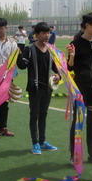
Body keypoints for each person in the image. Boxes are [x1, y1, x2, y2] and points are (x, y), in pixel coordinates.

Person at [66, 12, 92, 163]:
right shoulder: (76, 43)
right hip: (81, 90)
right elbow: (69, 68)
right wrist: (72, 56)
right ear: (87, 25)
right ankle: (74, 156)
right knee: (77, 123)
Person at [18, 22, 60, 155]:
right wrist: (18, 55)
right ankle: (35, 143)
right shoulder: (29, 49)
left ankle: (42, 141)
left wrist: (58, 75)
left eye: (48, 33)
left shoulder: (51, 50)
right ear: (36, 35)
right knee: (34, 115)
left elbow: (56, 68)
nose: (47, 35)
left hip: (47, 88)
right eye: (44, 33)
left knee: (43, 115)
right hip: (34, 88)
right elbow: (22, 66)